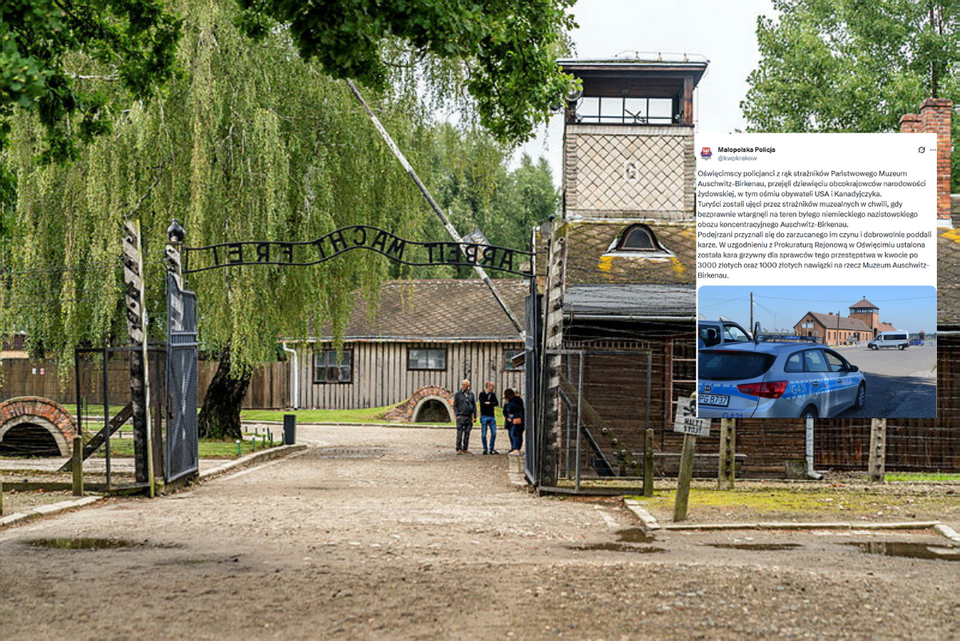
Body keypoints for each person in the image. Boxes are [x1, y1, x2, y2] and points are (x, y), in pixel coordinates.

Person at [453, 379, 476, 454]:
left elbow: (474, 406)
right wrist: (457, 415)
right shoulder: (458, 394)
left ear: (468, 386)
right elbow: (455, 406)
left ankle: (465, 448)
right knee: (459, 433)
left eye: (465, 385)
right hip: (461, 416)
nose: (463, 386)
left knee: (467, 433)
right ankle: (458, 448)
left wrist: (474, 416)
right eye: (462, 384)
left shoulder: (471, 394)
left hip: (469, 417)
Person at [478, 381, 499, 455]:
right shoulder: (482, 394)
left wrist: (489, 403)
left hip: (491, 416)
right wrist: (488, 403)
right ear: (488, 386)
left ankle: (491, 448)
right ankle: (485, 448)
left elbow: (496, 403)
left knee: (494, 433)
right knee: (484, 434)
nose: (493, 388)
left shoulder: (493, 395)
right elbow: (482, 404)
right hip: (484, 415)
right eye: (492, 386)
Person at [502, 388, 524, 455]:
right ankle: (513, 448)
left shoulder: (517, 401)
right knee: (511, 434)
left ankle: (516, 448)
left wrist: (515, 417)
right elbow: (505, 411)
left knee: (515, 434)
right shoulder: (508, 402)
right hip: (510, 420)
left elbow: (519, 411)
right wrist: (507, 417)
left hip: (516, 420)